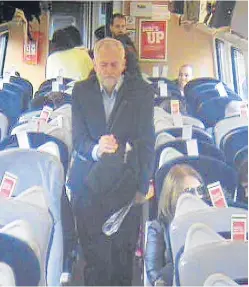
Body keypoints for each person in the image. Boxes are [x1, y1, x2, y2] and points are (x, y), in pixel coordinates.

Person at [69, 38, 155, 285]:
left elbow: (146, 143)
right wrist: (97, 149)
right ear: (94, 64)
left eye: (114, 65)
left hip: (126, 185)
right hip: (88, 184)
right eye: (103, 64)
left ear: (124, 64)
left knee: (122, 259)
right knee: (94, 260)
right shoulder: (80, 92)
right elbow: (78, 139)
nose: (108, 70)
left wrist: (141, 187)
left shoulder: (142, 93)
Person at [144, 164, 206, 286]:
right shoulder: (158, 228)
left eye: (199, 190)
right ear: (173, 195)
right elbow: (155, 275)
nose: (197, 197)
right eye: (189, 192)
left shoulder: (208, 222)